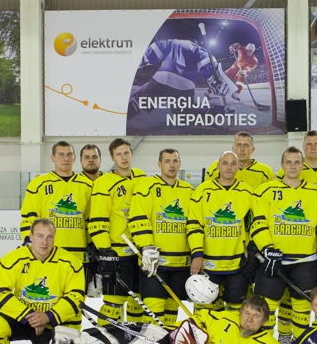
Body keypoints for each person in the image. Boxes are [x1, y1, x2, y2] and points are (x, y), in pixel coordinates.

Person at [0, 218, 85, 344]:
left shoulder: (71, 262)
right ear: (31, 236)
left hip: (56, 323)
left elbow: (76, 298)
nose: (45, 242)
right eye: (40, 236)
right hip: (25, 319)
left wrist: (47, 317)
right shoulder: (13, 259)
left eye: (49, 237)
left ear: (54, 238)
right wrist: (31, 316)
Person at [251, 147, 317, 344]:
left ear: (303, 165)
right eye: (289, 162)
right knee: (266, 307)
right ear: (282, 165)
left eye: (297, 162)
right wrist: (267, 248)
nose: (293, 166)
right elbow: (258, 223)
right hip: (273, 260)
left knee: (302, 307)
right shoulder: (265, 191)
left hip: (305, 261)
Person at [127, 148, 195, 327]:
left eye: (175, 161)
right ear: (159, 164)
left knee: (172, 311)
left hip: (181, 264)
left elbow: (195, 223)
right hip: (154, 262)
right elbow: (138, 217)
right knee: (153, 312)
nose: (171, 165)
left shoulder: (188, 190)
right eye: (167, 161)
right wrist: (146, 247)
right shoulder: (146, 186)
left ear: (180, 164)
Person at [88, 138, 147, 324]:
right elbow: (98, 218)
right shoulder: (103, 183)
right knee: (114, 302)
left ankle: (134, 337)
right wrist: (105, 250)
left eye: (126, 153)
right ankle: (106, 336)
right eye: (119, 154)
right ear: (112, 157)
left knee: (138, 301)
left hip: (140, 252)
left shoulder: (142, 178)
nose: (123, 157)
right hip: (118, 252)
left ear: (132, 154)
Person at [188, 150, 255, 312]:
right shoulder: (203, 191)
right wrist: (197, 254)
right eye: (225, 163)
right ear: (218, 166)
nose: (229, 167)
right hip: (208, 265)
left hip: (237, 265)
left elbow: (254, 225)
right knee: (205, 311)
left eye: (233, 163)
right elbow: (194, 225)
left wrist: (252, 254)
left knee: (235, 312)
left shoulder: (248, 192)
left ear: (238, 167)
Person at [127, 38, 238, 123]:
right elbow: (207, 66)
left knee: (141, 102)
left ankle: (121, 117)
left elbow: (153, 52)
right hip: (184, 85)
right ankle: (221, 113)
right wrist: (215, 81)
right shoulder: (198, 49)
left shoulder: (171, 42)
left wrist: (138, 63)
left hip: (162, 78)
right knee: (185, 114)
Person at [20, 141, 93, 263]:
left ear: (74, 158)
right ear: (52, 158)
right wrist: (30, 244)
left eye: (69, 155)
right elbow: (29, 218)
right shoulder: (38, 184)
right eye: (61, 154)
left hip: (79, 253)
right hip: (48, 254)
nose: (65, 159)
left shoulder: (88, 185)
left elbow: (90, 220)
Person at [204, 131, 275, 190]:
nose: (242, 149)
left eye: (246, 145)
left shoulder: (265, 172)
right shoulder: (216, 168)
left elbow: (269, 197)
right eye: (239, 145)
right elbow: (207, 191)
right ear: (233, 148)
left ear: (252, 149)